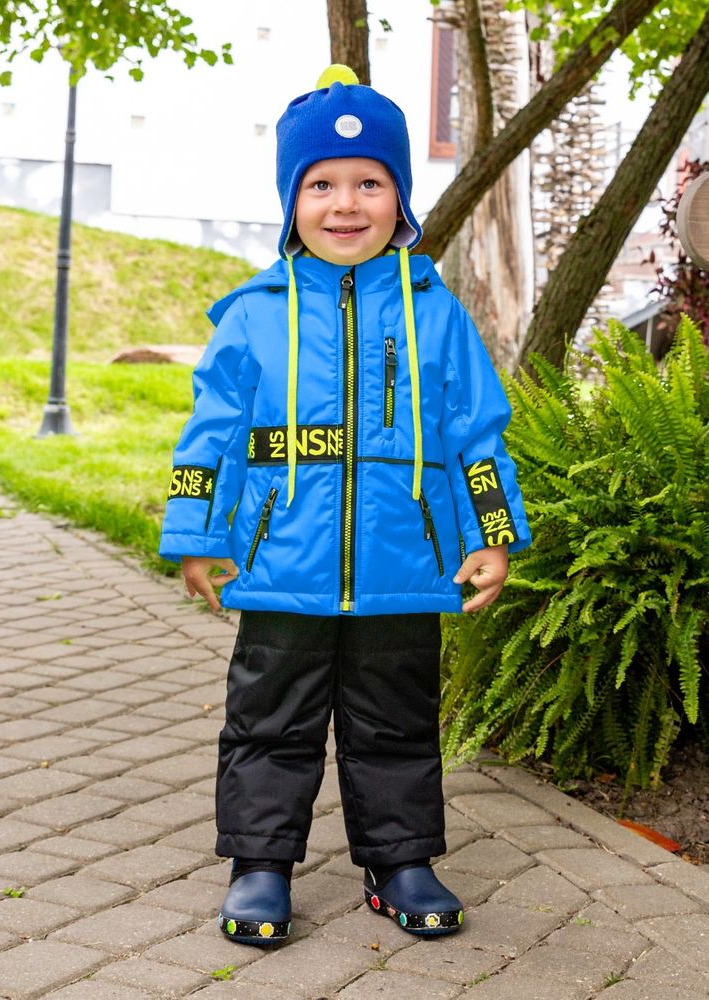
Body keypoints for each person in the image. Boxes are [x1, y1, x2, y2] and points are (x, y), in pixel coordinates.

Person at [159, 65, 531, 946]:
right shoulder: (252, 315)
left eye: (369, 183)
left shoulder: (438, 314)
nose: (345, 203)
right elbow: (209, 438)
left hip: (405, 565)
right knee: (268, 723)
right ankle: (259, 864)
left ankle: (400, 862)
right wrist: (195, 536)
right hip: (280, 564)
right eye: (320, 184)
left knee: (397, 724)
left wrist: (493, 535)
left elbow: (478, 435)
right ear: (291, 201)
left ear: (400, 199)